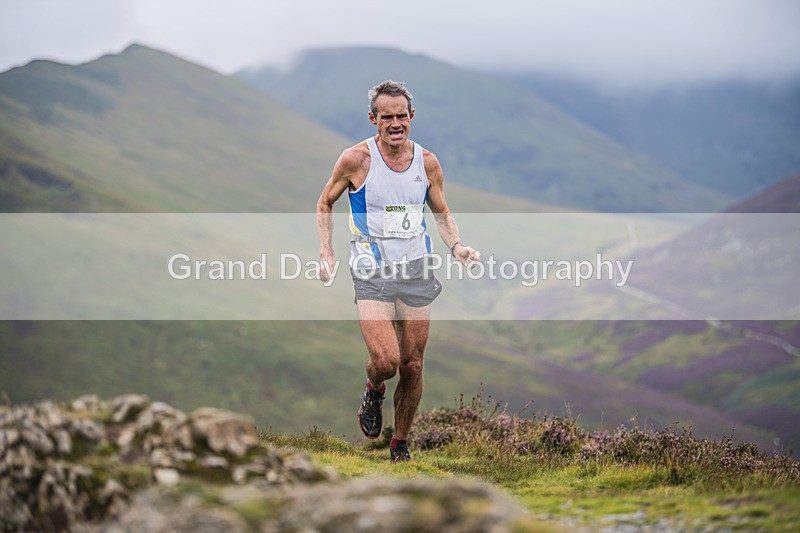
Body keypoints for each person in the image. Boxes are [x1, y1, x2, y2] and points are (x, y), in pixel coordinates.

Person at [316, 80, 480, 463]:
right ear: (373, 119)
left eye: (401, 116)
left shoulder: (427, 163)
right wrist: (326, 251)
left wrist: (457, 245)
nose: (394, 123)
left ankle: (400, 444)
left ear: (411, 117)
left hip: (416, 268)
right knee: (387, 362)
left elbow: (441, 211)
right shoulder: (356, 160)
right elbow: (325, 203)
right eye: (386, 117)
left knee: (412, 364)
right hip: (371, 269)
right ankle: (373, 387)